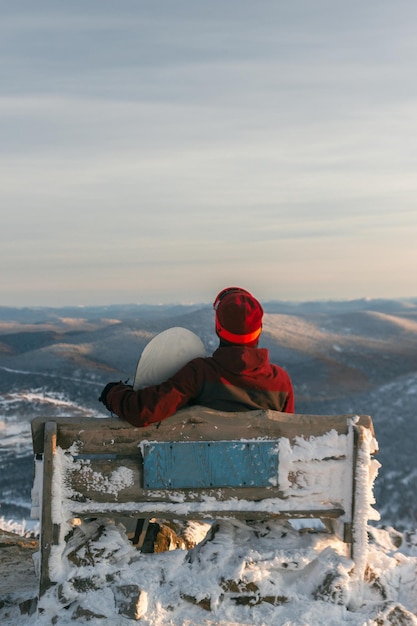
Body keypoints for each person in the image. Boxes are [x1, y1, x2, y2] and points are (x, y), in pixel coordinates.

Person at [99, 286, 294, 426]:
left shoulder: (199, 374)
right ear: (259, 330)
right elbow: (287, 434)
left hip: (204, 478)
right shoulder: (280, 382)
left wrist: (113, 393)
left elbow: (141, 412)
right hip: (260, 481)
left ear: (219, 328)